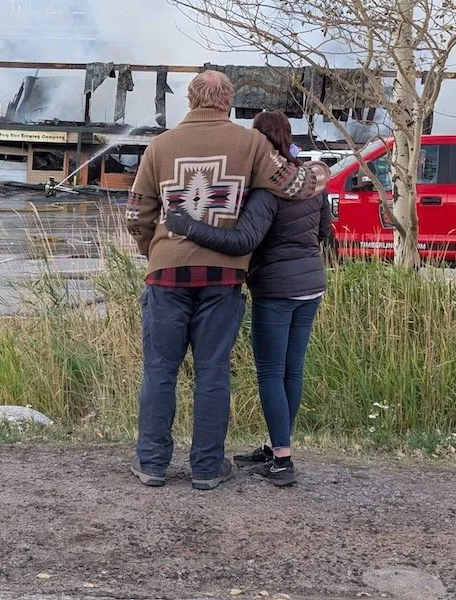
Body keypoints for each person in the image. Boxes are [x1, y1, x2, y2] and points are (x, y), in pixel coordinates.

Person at [126, 70, 331, 491]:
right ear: (228, 101)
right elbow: (294, 185)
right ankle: (206, 468)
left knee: (160, 369)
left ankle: (151, 464)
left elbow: (136, 216)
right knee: (213, 371)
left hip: (165, 275)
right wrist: (321, 168)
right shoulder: (249, 143)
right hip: (223, 277)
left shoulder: (159, 146)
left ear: (189, 99)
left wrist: (157, 251)